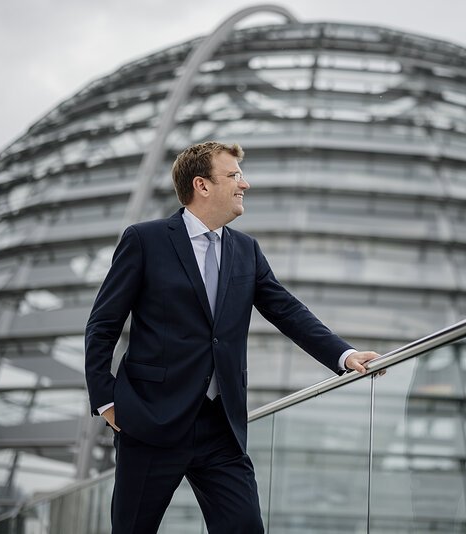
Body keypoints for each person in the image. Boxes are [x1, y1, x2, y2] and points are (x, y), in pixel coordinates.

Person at [84, 141, 379, 533]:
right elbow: (102, 324)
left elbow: (286, 310)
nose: (246, 184)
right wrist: (106, 400)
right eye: (234, 175)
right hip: (150, 420)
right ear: (202, 185)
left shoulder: (246, 250)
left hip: (220, 427)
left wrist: (344, 355)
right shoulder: (145, 240)